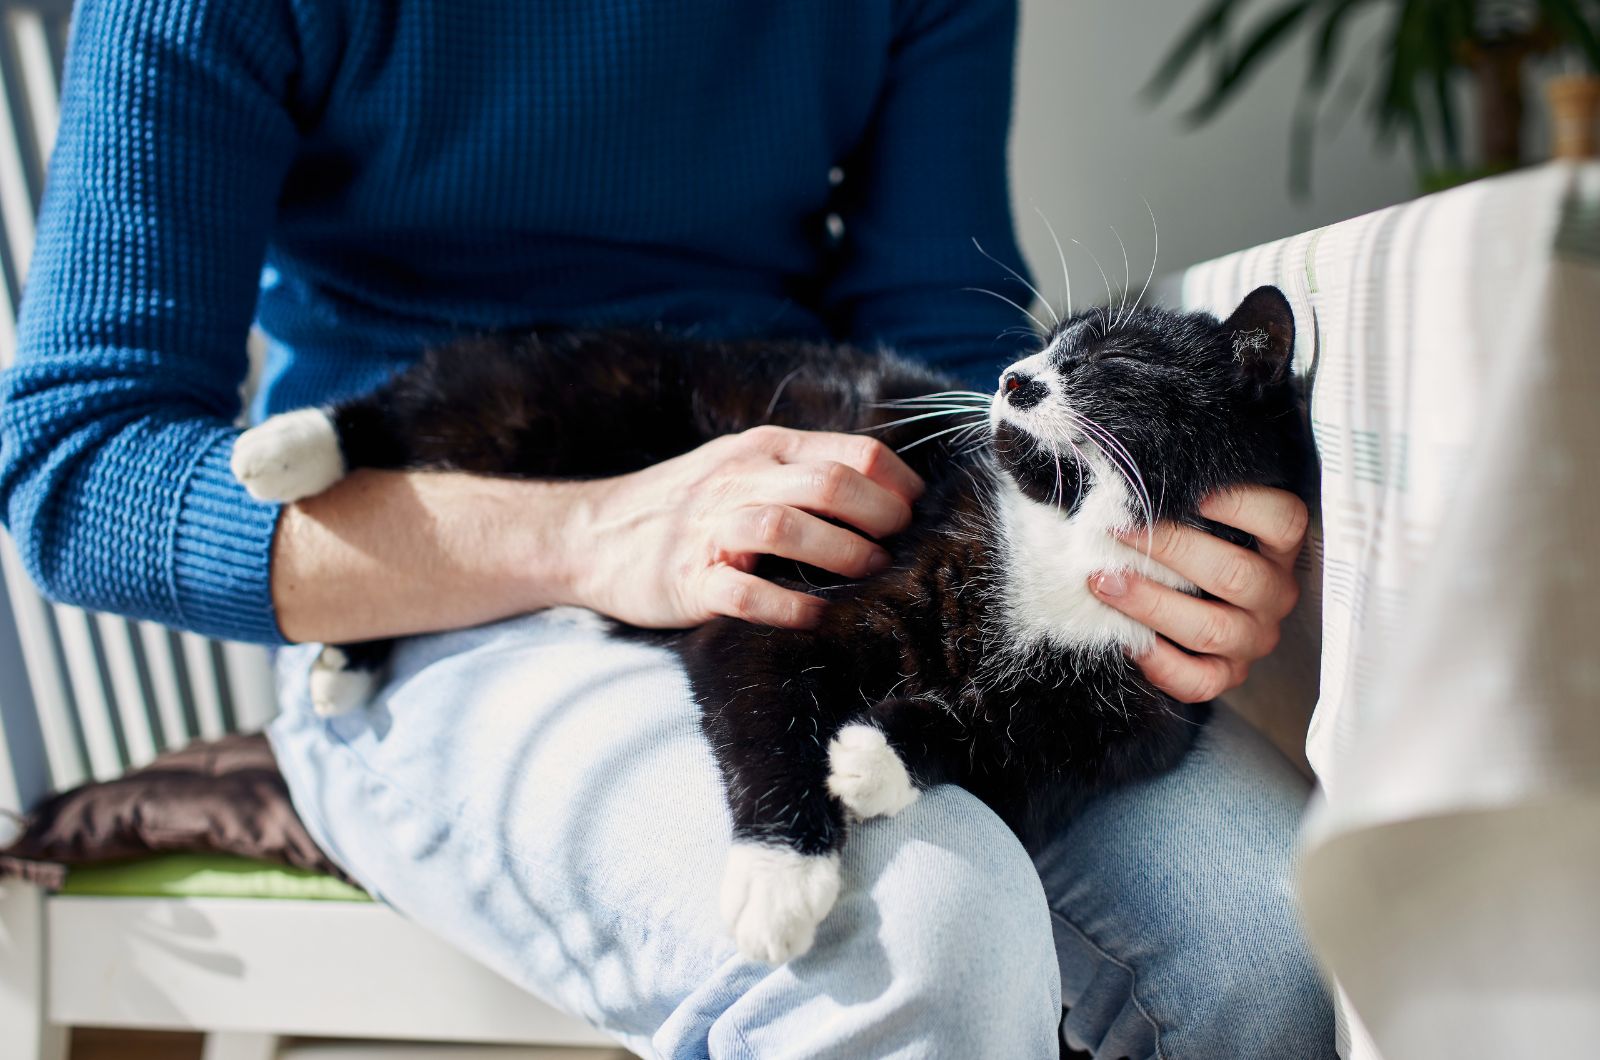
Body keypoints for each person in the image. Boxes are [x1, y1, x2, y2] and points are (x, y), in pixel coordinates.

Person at [0, 0, 1334, 1056]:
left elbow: (939, 345)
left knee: (1287, 931)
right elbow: (81, 468)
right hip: (429, 599)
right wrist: (597, 530)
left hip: (841, 545)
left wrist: (1142, 548)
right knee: (920, 932)